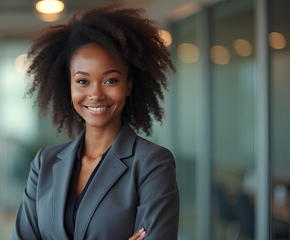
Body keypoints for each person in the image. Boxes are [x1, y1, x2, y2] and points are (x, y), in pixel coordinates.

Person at [12, 4, 179, 240]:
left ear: (128, 85)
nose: (96, 94)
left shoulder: (152, 164)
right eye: (82, 81)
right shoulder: (44, 163)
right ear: (68, 85)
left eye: (110, 80)